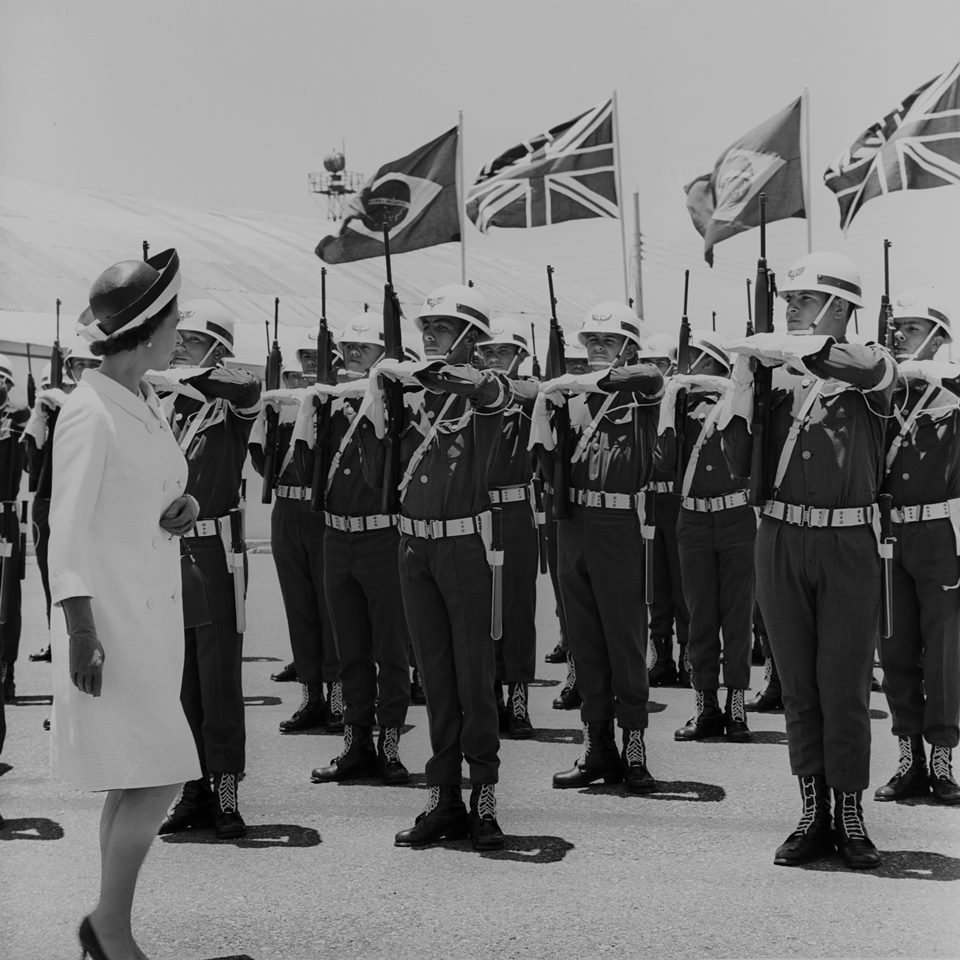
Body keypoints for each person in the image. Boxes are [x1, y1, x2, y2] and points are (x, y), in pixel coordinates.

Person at [48, 249, 202, 960]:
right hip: (110, 621)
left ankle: (108, 928)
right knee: (163, 769)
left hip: (149, 619)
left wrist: (183, 506)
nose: (180, 331)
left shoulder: (141, 399)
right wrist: (79, 627)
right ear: (147, 328)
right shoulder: (89, 410)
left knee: (139, 770)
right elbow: (65, 527)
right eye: (174, 320)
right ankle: (109, 927)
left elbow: (155, 486)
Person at [723, 251, 895, 869]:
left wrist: (784, 350)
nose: (789, 307)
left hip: (847, 541)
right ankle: (811, 812)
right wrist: (745, 381)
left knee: (843, 685)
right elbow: (738, 456)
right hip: (779, 537)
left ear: (839, 307)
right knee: (798, 686)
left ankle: (849, 813)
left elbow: (866, 368)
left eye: (802, 298)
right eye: (787, 298)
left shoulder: (869, 363)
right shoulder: (774, 374)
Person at [366, 283, 510, 850]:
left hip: (464, 549)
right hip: (414, 547)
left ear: (470, 339)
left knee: (474, 678)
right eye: (426, 326)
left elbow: (486, 390)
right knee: (434, 678)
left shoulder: (482, 388)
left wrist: (420, 373)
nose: (429, 335)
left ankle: (485, 797)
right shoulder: (410, 397)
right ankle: (443, 795)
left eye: (442, 328)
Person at [535, 302, 664, 794]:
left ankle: (634, 748)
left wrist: (598, 381)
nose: (596, 348)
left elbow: (651, 377)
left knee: (625, 642)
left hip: (618, 522)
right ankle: (596, 745)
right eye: (591, 340)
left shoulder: (640, 395)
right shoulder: (566, 395)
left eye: (607, 341)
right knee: (584, 640)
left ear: (628, 347)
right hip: (573, 522)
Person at [156, 299, 261, 840]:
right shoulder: (170, 404)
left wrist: (186, 375)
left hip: (214, 553)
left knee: (218, 679)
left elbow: (245, 387)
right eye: (178, 339)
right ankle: (191, 786)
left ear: (217, 348)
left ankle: (225, 790)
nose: (178, 349)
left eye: (191, 340)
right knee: (181, 679)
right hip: (169, 553)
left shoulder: (227, 402)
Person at [294, 313, 411, 784]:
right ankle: (355, 742)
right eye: (348, 347)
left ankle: (391, 744)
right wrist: (309, 411)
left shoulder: (394, 402)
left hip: (382, 536)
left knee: (390, 648)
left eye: (363, 348)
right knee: (350, 649)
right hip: (336, 537)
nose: (352, 355)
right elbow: (305, 472)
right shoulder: (331, 405)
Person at [875, 288, 960, 805]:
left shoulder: (953, 395)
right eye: (896, 328)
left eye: (909, 329)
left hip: (940, 535)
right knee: (896, 647)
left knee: (945, 651)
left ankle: (944, 758)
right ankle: (908, 758)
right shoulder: (883, 395)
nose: (899, 337)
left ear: (937, 339)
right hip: (889, 535)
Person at [656, 331, 754, 743]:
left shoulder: (736, 399)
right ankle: (706, 705)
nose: (690, 367)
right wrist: (670, 399)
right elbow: (661, 463)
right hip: (693, 520)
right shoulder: (678, 406)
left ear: (715, 364)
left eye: (697, 360)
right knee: (700, 617)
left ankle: (736, 706)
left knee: (736, 616)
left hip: (734, 515)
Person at [250, 349, 343, 737]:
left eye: (313, 359)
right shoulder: (281, 407)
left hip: (320, 509)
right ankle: (311, 695)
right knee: (299, 605)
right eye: (299, 362)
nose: (305, 369)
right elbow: (260, 460)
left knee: (330, 608)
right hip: (287, 509)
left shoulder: (334, 405)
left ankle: (339, 696)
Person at [477, 316, 540, 739]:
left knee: (516, 608)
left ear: (520, 356)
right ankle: (488, 698)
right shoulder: (472, 392)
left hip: (515, 510)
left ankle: (518, 700)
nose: (493, 359)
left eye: (502, 352)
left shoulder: (532, 392)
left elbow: (535, 391)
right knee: (480, 611)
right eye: (487, 352)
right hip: (477, 510)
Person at [24, 336, 101, 664]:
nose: (84, 369)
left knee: (85, 586)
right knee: (51, 585)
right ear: (69, 367)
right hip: (48, 502)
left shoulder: (95, 404)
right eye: (78, 363)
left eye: (90, 363)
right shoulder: (53, 404)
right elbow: (30, 462)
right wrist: (39, 416)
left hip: (85, 505)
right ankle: (58, 645)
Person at [638, 334, 690, 689]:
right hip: (651, 502)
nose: (653, 369)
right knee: (654, 584)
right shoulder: (638, 402)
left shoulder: (679, 399)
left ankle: (689, 656)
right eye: (647, 362)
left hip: (678, 500)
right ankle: (660, 655)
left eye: (659, 362)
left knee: (683, 585)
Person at [0, 356, 29, 703]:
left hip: (4, 516)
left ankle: (7, 672)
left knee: (7, 602)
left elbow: (22, 415)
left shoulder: (17, 418)